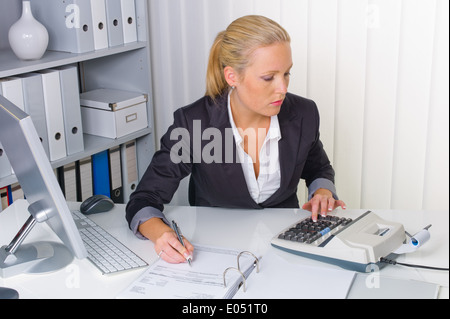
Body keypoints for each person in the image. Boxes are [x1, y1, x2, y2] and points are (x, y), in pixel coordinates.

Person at [125, 15, 346, 264]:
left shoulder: (304, 113)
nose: (282, 88)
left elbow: (318, 167)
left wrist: (323, 192)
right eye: (269, 77)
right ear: (232, 77)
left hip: (286, 249)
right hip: (215, 253)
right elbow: (144, 199)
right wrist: (161, 234)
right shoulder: (194, 124)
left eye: (286, 73)